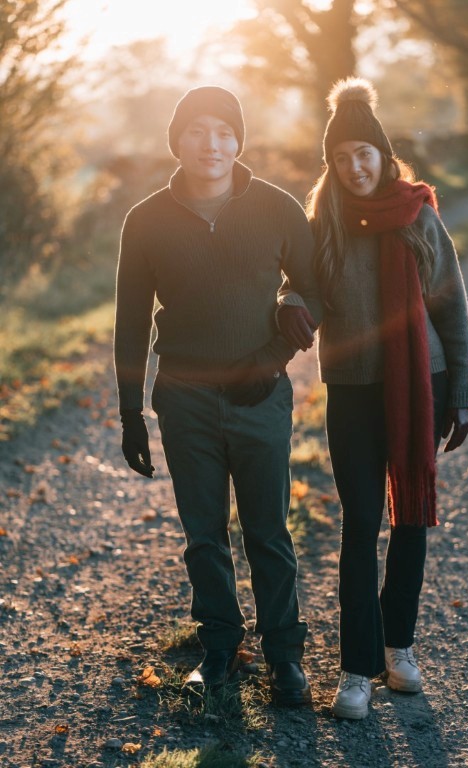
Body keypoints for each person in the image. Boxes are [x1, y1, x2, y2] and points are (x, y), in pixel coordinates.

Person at [114, 85, 321, 706]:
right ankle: (220, 648)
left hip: (261, 394)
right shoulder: (145, 219)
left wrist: (274, 355)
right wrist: (131, 412)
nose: (212, 144)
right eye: (198, 130)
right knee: (204, 534)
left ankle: (285, 656)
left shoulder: (278, 208)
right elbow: (129, 319)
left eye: (224, 131)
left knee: (267, 530)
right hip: (185, 398)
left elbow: (312, 287)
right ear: (177, 140)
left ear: (239, 140)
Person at [281, 78, 468, 719]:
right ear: (331, 165)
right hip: (354, 390)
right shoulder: (324, 223)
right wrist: (288, 303)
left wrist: (465, 392)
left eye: (363, 152)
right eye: (341, 157)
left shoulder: (419, 216)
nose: (354, 166)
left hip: (423, 383)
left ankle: (399, 647)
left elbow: (452, 307)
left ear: (383, 154)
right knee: (362, 524)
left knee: (411, 522)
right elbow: (300, 285)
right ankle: (355, 669)